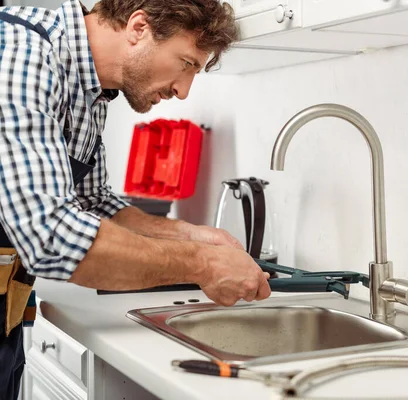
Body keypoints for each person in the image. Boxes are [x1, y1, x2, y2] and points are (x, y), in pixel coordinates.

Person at [0, 0, 271, 398]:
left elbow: (94, 203)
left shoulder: (89, 88)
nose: (183, 90)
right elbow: (51, 236)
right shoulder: (20, 52)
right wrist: (204, 265)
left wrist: (196, 238)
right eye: (187, 63)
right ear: (139, 26)